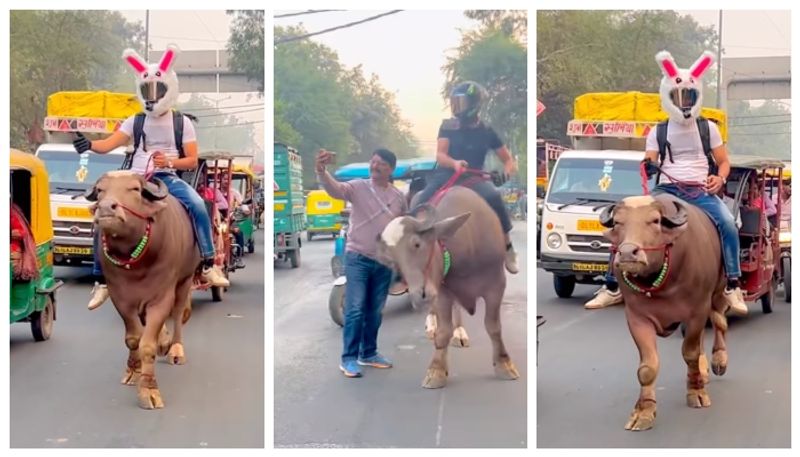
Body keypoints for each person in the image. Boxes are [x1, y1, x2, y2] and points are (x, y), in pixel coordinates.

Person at [585, 50, 748, 316]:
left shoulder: (710, 128)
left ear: (697, 96)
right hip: (666, 190)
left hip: (700, 191)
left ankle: (732, 283)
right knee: (626, 221)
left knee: (728, 224)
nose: (684, 101)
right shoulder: (658, 131)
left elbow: (723, 162)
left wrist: (719, 178)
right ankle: (612, 285)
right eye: (678, 96)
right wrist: (649, 163)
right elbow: (650, 159)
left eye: (689, 96)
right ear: (668, 97)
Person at [77, 44, 229, 311]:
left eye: (158, 89)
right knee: (102, 214)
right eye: (147, 90)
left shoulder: (183, 123)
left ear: (169, 89)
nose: (153, 95)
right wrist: (87, 144)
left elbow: (192, 159)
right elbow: (107, 144)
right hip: (132, 180)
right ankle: (100, 278)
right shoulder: (134, 121)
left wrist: (169, 161)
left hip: (165, 179)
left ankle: (207, 263)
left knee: (196, 205)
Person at [316, 147, 407, 378]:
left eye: (382, 164)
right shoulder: (358, 187)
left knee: (375, 311)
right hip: (358, 258)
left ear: (391, 170)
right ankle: (348, 359)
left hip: (384, 262)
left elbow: (403, 227)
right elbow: (335, 190)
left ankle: (369, 353)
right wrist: (321, 170)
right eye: (373, 161)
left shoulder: (398, 198)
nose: (375, 166)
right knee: (355, 309)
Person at [413, 81, 519, 273]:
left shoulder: (487, 131)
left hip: (475, 177)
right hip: (447, 173)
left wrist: (505, 174)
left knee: (494, 197)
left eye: (460, 103)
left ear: (474, 104)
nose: (456, 108)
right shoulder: (448, 126)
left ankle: (508, 248)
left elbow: (509, 161)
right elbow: (441, 155)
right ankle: (409, 250)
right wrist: (454, 163)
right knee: (421, 200)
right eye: (455, 102)